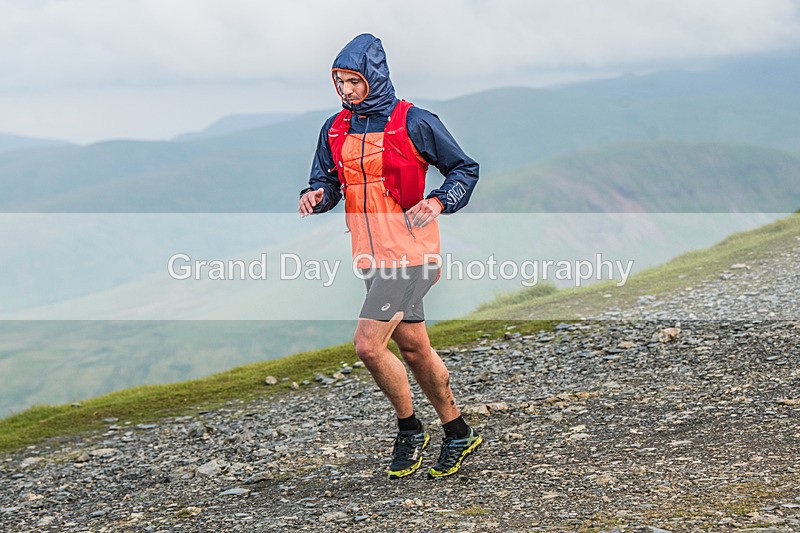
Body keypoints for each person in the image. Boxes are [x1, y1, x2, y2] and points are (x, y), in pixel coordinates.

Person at [298, 33, 480, 479]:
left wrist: (438, 201)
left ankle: (409, 428)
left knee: (367, 344)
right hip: (370, 255)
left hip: (412, 253)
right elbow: (328, 183)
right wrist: (316, 196)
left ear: (373, 78)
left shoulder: (413, 121)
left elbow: (464, 169)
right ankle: (457, 431)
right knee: (415, 348)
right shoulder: (335, 127)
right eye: (339, 82)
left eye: (353, 81)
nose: (346, 90)